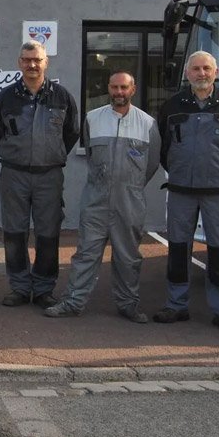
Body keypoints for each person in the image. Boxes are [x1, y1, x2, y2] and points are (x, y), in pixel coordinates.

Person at [44, 71, 160, 322]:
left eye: (124, 87)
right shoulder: (92, 119)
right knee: (86, 253)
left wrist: (131, 187)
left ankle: (129, 304)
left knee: (128, 257)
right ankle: (73, 302)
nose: (119, 92)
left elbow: (151, 165)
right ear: (108, 88)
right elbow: (92, 159)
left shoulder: (148, 123)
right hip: (96, 200)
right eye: (115, 87)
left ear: (133, 89)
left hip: (129, 202)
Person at [153, 50, 219, 332]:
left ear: (216, 72)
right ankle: (176, 305)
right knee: (179, 249)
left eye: (206, 68)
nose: (201, 74)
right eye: (195, 69)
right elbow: (163, 149)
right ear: (187, 73)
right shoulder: (172, 106)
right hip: (181, 190)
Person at [0, 40, 79, 309]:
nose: (32, 65)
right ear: (19, 63)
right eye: (27, 60)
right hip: (14, 174)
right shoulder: (6, 96)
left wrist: (50, 154)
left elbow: (71, 133)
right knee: (14, 232)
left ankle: (42, 289)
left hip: (48, 175)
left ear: (45, 62)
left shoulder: (61, 96)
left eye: (37, 60)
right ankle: (18, 286)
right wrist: (14, 153)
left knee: (48, 233)